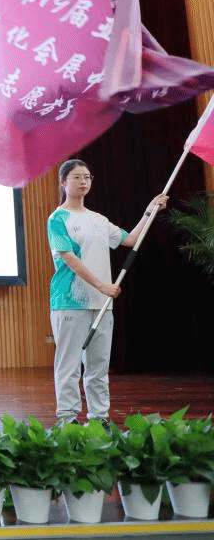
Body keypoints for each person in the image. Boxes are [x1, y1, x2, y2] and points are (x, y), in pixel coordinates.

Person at [47, 159, 168, 426]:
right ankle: (67, 419)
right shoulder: (57, 219)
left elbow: (130, 239)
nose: (83, 181)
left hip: (102, 304)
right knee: (69, 365)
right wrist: (101, 285)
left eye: (87, 177)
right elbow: (68, 258)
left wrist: (148, 212)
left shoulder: (99, 220)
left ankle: (99, 417)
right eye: (77, 177)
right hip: (69, 301)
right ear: (63, 182)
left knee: (98, 365)